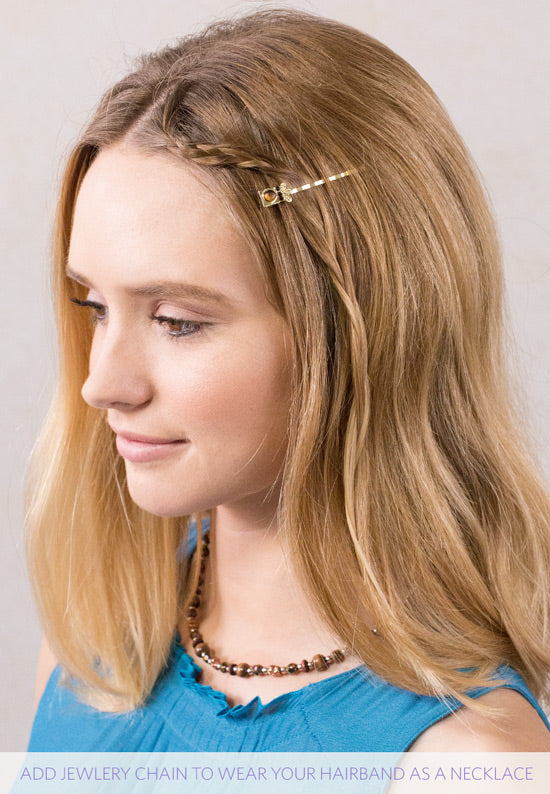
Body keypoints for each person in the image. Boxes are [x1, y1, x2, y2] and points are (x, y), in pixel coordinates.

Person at [25, 8, 550, 754]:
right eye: (96, 308)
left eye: (176, 321)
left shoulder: (464, 758)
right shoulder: (97, 649)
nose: (102, 383)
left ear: (358, 332)